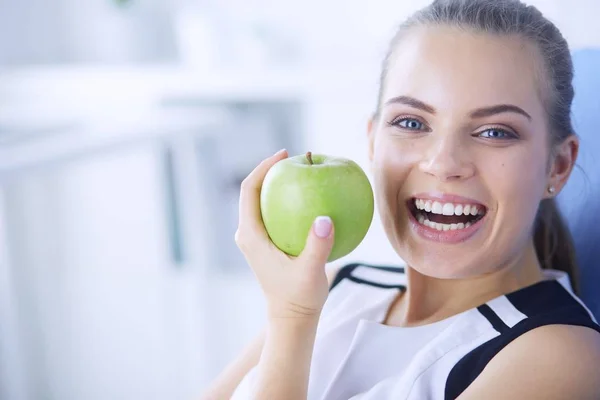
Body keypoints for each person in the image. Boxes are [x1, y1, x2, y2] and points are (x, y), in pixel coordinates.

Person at [203, 0, 600, 398]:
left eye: (495, 131)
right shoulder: (335, 288)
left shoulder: (562, 356)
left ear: (558, 165)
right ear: (373, 141)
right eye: (411, 123)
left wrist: (291, 319)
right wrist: (294, 312)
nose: (443, 163)